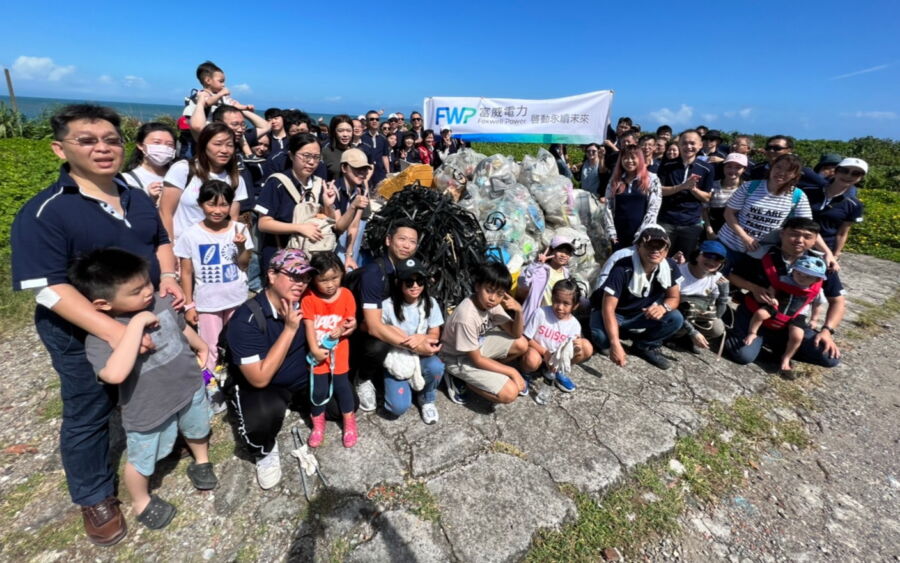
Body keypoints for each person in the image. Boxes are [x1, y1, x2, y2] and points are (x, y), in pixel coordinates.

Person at [11, 104, 183, 545]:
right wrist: (115, 333)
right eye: (86, 140)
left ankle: (153, 442)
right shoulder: (45, 212)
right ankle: (94, 494)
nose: (103, 149)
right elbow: (47, 288)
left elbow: (158, 239)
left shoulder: (131, 190)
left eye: (110, 139)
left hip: (144, 316)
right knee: (89, 409)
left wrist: (167, 278)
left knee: (149, 383)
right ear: (59, 149)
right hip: (82, 330)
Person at [71, 248, 215, 530]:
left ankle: (202, 460)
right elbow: (114, 374)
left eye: (147, 282)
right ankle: (140, 500)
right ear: (103, 304)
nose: (148, 292)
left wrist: (200, 344)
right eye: (136, 291)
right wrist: (137, 324)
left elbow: (180, 327)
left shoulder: (160, 303)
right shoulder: (103, 335)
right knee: (142, 457)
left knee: (198, 429)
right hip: (148, 407)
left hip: (189, 386)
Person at [226, 249, 349, 489]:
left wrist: (347, 325)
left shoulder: (308, 300)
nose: (301, 284)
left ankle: (298, 403)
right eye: (294, 276)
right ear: (271, 275)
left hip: (305, 375)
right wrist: (290, 329)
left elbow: (335, 313)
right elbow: (259, 378)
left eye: (305, 278)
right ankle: (265, 451)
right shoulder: (246, 320)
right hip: (267, 385)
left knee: (342, 405)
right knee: (262, 419)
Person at [724, 218, 845, 369]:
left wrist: (827, 330)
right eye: (794, 234)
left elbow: (837, 301)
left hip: (791, 321)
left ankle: (778, 346)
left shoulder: (822, 265)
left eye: (807, 237)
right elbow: (732, 275)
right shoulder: (760, 255)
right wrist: (753, 287)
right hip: (756, 314)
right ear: (782, 234)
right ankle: (751, 335)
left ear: (815, 240)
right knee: (742, 356)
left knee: (829, 358)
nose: (800, 240)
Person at [174, 179, 253, 410]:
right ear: (200, 205)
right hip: (207, 304)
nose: (218, 210)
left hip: (236, 299)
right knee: (208, 348)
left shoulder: (240, 230)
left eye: (224, 205)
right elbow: (186, 272)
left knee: (236, 342)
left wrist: (240, 247)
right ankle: (210, 386)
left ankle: (234, 381)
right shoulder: (191, 235)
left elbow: (245, 264)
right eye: (211, 204)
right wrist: (189, 305)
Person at [255, 133, 368, 277]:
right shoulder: (276, 183)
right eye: (306, 156)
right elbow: (263, 224)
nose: (311, 162)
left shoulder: (320, 184)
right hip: (280, 255)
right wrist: (300, 228)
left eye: (316, 157)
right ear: (291, 155)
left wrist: (328, 205)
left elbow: (335, 227)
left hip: (312, 257)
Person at [349, 220, 432, 411]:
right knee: (379, 344)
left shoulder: (406, 270)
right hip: (359, 332)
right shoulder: (374, 273)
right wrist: (415, 346)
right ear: (388, 240)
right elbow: (373, 326)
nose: (406, 245)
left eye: (412, 241)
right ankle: (362, 378)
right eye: (401, 239)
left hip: (390, 326)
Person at [717, 154, 836, 269]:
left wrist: (827, 253)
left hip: (761, 251)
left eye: (789, 170)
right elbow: (729, 213)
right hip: (729, 243)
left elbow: (809, 228)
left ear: (795, 175)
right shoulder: (749, 187)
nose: (781, 172)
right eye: (778, 167)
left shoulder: (797, 196)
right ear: (771, 168)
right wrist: (744, 237)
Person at [589, 226, 684, 370]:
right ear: (638, 246)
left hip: (638, 313)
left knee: (675, 318)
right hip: (614, 313)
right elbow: (608, 309)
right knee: (601, 340)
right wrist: (615, 344)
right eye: (650, 245)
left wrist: (662, 308)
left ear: (666, 251)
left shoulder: (669, 267)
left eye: (660, 247)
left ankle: (643, 346)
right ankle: (604, 329)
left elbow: (674, 297)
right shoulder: (622, 267)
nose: (655, 250)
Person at [441, 261, 529, 404]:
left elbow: (515, 333)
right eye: (489, 290)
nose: (493, 298)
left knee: (522, 344)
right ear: (477, 286)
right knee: (510, 393)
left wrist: (519, 311)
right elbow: (477, 360)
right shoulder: (466, 317)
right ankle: (463, 378)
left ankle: (487, 374)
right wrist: (512, 371)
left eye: (500, 294)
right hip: (457, 358)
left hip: (477, 347)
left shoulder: (490, 304)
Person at [301, 253, 359, 448]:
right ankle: (318, 424)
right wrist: (314, 350)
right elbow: (309, 326)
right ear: (313, 279)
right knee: (318, 390)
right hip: (317, 355)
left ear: (342, 274)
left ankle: (349, 421)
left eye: (334, 278)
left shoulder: (347, 295)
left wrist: (342, 329)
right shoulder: (308, 298)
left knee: (343, 387)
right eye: (323, 280)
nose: (330, 284)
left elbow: (349, 322)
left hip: (339, 353)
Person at [380, 257, 445, 423]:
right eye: (409, 282)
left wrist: (422, 337)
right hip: (397, 357)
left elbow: (434, 334)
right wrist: (403, 339)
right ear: (399, 283)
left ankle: (427, 398)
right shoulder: (387, 306)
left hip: (421, 356)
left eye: (419, 281)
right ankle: (395, 384)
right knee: (397, 407)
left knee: (436, 366)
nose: (415, 286)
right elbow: (376, 329)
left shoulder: (430, 303)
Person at [160, 122, 248, 242]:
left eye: (230, 145)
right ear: (203, 145)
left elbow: (231, 222)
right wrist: (169, 247)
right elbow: (165, 212)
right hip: (180, 246)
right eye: (217, 144)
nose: (224, 150)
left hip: (214, 250)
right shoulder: (183, 169)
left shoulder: (235, 179)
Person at [743, 254, 827, 377]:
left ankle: (786, 357)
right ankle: (752, 332)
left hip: (798, 313)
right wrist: (772, 298)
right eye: (799, 273)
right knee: (760, 314)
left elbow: (817, 304)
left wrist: (814, 319)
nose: (802, 278)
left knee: (798, 335)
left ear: (817, 279)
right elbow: (772, 288)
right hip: (778, 306)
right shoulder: (784, 279)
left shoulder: (817, 290)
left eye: (808, 276)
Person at [522, 279, 594, 404]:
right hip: (538, 352)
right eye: (556, 301)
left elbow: (572, 349)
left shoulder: (574, 325)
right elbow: (526, 338)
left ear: (575, 305)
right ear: (552, 298)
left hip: (556, 359)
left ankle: (558, 372)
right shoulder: (541, 313)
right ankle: (526, 373)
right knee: (531, 360)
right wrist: (545, 353)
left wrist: (575, 348)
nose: (560, 307)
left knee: (586, 346)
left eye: (566, 304)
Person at [657, 130, 715, 257]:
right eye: (684, 143)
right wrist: (681, 187)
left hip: (691, 223)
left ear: (700, 145)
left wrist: (693, 189)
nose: (688, 147)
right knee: (660, 256)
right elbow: (658, 191)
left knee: (684, 259)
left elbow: (707, 197)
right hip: (666, 221)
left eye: (692, 143)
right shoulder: (667, 165)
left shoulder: (707, 168)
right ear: (679, 145)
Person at [671, 240, 731, 354]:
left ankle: (685, 339)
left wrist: (724, 295)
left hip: (696, 314)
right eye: (708, 255)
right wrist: (693, 332)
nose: (712, 261)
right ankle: (670, 337)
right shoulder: (680, 271)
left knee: (717, 328)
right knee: (681, 316)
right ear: (697, 255)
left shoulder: (718, 278)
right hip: (676, 312)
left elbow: (717, 315)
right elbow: (671, 305)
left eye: (718, 259)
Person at [804, 158, 866, 260]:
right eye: (844, 171)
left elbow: (842, 233)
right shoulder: (808, 192)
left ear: (860, 178)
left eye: (855, 173)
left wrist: (835, 255)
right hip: (797, 243)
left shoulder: (855, 205)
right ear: (836, 171)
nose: (848, 176)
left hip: (824, 251)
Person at [604, 145, 662, 251]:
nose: (629, 161)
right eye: (625, 158)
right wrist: (611, 233)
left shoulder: (652, 179)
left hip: (642, 234)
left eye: (633, 157)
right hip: (618, 234)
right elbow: (608, 207)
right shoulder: (614, 180)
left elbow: (653, 209)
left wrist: (642, 233)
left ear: (640, 159)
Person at [515, 235, 576, 326]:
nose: (564, 255)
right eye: (560, 251)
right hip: (534, 317)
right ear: (551, 251)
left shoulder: (566, 274)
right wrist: (536, 263)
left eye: (567, 253)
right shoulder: (540, 269)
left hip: (552, 319)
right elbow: (522, 282)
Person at [122, 122, 177, 205]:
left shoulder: (181, 173)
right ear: (140, 145)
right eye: (157, 142)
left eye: (169, 144)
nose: (163, 148)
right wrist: (150, 199)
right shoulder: (128, 179)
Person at [748, 135, 827, 189]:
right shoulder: (757, 169)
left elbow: (826, 186)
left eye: (777, 148)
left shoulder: (803, 172)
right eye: (769, 148)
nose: (771, 151)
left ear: (789, 150)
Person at [704, 152, 747, 235]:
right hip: (715, 229)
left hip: (738, 234)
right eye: (729, 166)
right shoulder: (712, 185)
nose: (732, 170)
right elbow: (704, 210)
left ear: (744, 169)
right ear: (724, 167)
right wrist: (709, 230)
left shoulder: (748, 188)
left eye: (738, 167)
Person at [360, 110, 391, 186]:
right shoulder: (361, 137)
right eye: (372, 119)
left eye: (377, 119)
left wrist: (388, 173)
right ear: (367, 121)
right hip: (365, 174)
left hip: (380, 173)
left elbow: (385, 156)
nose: (375, 121)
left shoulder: (383, 138)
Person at [321, 115, 354, 180]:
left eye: (348, 131)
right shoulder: (325, 152)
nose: (345, 134)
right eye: (340, 131)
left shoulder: (357, 151)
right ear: (334, 132)